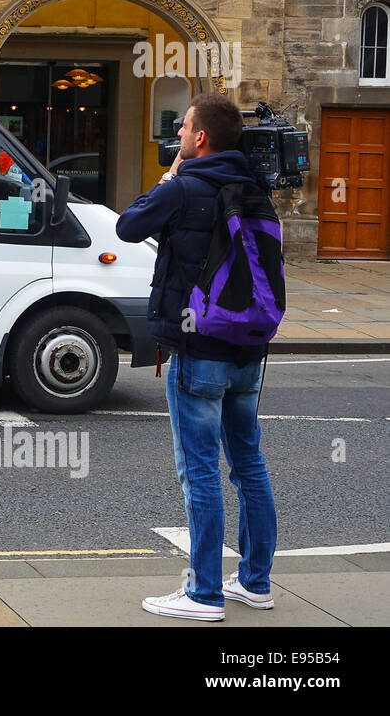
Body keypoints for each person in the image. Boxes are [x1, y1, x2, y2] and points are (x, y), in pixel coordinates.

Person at [116, 93, 277, 621]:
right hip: (248, 352)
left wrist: (170, 175)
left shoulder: (184, 188)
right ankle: (255, 582)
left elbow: (128, 225)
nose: (179, 136)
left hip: (197, 348)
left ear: (200, 138)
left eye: (184, 128)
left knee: (200, 471)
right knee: (248, 464)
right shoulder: (255, 188)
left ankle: (203, 593)